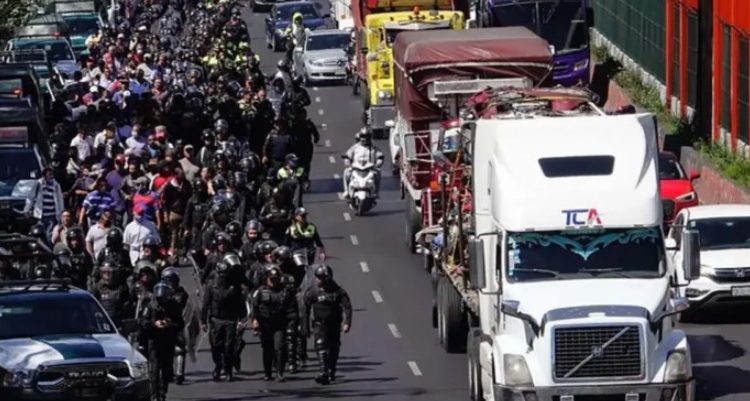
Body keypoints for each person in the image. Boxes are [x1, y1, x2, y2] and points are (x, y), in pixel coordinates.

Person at [302, 265, 352, 385]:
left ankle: (331, 371)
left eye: (321, 278)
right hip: (320, 325)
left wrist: (347, 323)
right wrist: (305, 328)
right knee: (321, 347)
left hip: (334, 325)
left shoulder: (339, 291)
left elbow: (347, 307)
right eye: (317, 278)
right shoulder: (312, 292)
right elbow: (305, 310)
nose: (318, 280)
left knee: (333, 348)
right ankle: (323, 372)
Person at [251, 266, 298, 382]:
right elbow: (254, 307)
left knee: (279, 348)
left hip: (279, 324)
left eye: (276, 279)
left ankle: (279, 373)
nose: (273, 281)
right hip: (265, 324)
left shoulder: (286, 292)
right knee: (267, 349)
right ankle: (267, 373)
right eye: (271, 279)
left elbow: (292, 309)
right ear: (266, 279)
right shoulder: (260, 292)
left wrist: (292, 323)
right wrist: (255, 320)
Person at [201, 259, 245, 382]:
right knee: (215, 346)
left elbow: (240, 304)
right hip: (215, 320)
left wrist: (241, 320)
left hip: (230, 320)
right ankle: (218, 366)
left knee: (228, 347)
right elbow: (206, 304)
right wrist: (203, 321)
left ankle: (228, 370)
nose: (222, 276)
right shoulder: (211, 286)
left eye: (225, 273)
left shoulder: (235, 287)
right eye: (221, 273)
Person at [139, 281, 184, 401]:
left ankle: (163, 393)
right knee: (154, 370)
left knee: (166, 370)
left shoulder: (173, 306)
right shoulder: (150, 306)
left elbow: (180, 323)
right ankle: (154, 396)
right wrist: (154, 324)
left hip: (168, 341)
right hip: (154, 341)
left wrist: (168, 324)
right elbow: (142, 322)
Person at [161, 267, 189, 385]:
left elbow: (178, 303)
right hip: (164, 324)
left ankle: (179, 374)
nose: (169, 284)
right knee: (164, 350)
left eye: (171, 281)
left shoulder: (181, 294)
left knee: (179, 349)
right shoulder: (160, 292)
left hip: (176, 324)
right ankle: (167, 373)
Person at [342, 128, 384, 199]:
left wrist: (378, 163)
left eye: (366, 137)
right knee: (346, 172)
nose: (364, 139)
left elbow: (380, 156)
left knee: (378, 173)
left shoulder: (374, 148)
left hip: (369, 169)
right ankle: (346, 191)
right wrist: (347, 161)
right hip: (356, 168)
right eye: (363, 137)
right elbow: (347, 155)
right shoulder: (355, 147)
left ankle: (376, 193)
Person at [91, 261, 131, 329]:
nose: (107, 275)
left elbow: (127, 306)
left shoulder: (122, 287)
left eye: (109, 272)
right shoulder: (97, 287)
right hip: (102, 323)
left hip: (118, 324)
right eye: (104, 272)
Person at [30, 168, 66, 240]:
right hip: (40, 216)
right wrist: (27, 209)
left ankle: (49, 250)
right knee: (40, 234)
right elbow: (31, 198)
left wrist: (61, 213)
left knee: (49, 235)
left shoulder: (56, 185)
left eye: (52, 174)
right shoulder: (38, 184)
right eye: (49, 175)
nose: (51, 176)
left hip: (51, 216)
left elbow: (60, 200)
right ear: (44, 176)